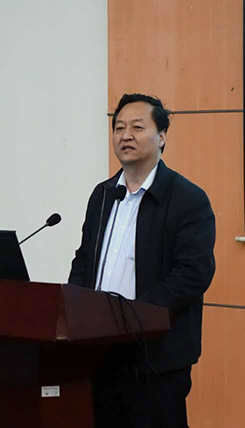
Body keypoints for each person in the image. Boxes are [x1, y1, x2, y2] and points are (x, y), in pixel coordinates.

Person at [68, 93, 216, 427]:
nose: (126, 135)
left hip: (156, 360)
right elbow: (84, 260)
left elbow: (193, 274)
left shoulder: (187, 199)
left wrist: (133, 316)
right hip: (99, 351)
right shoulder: (103, 195)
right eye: (119, 128)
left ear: (161, 136)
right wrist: (74, 307)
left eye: (137, 127)